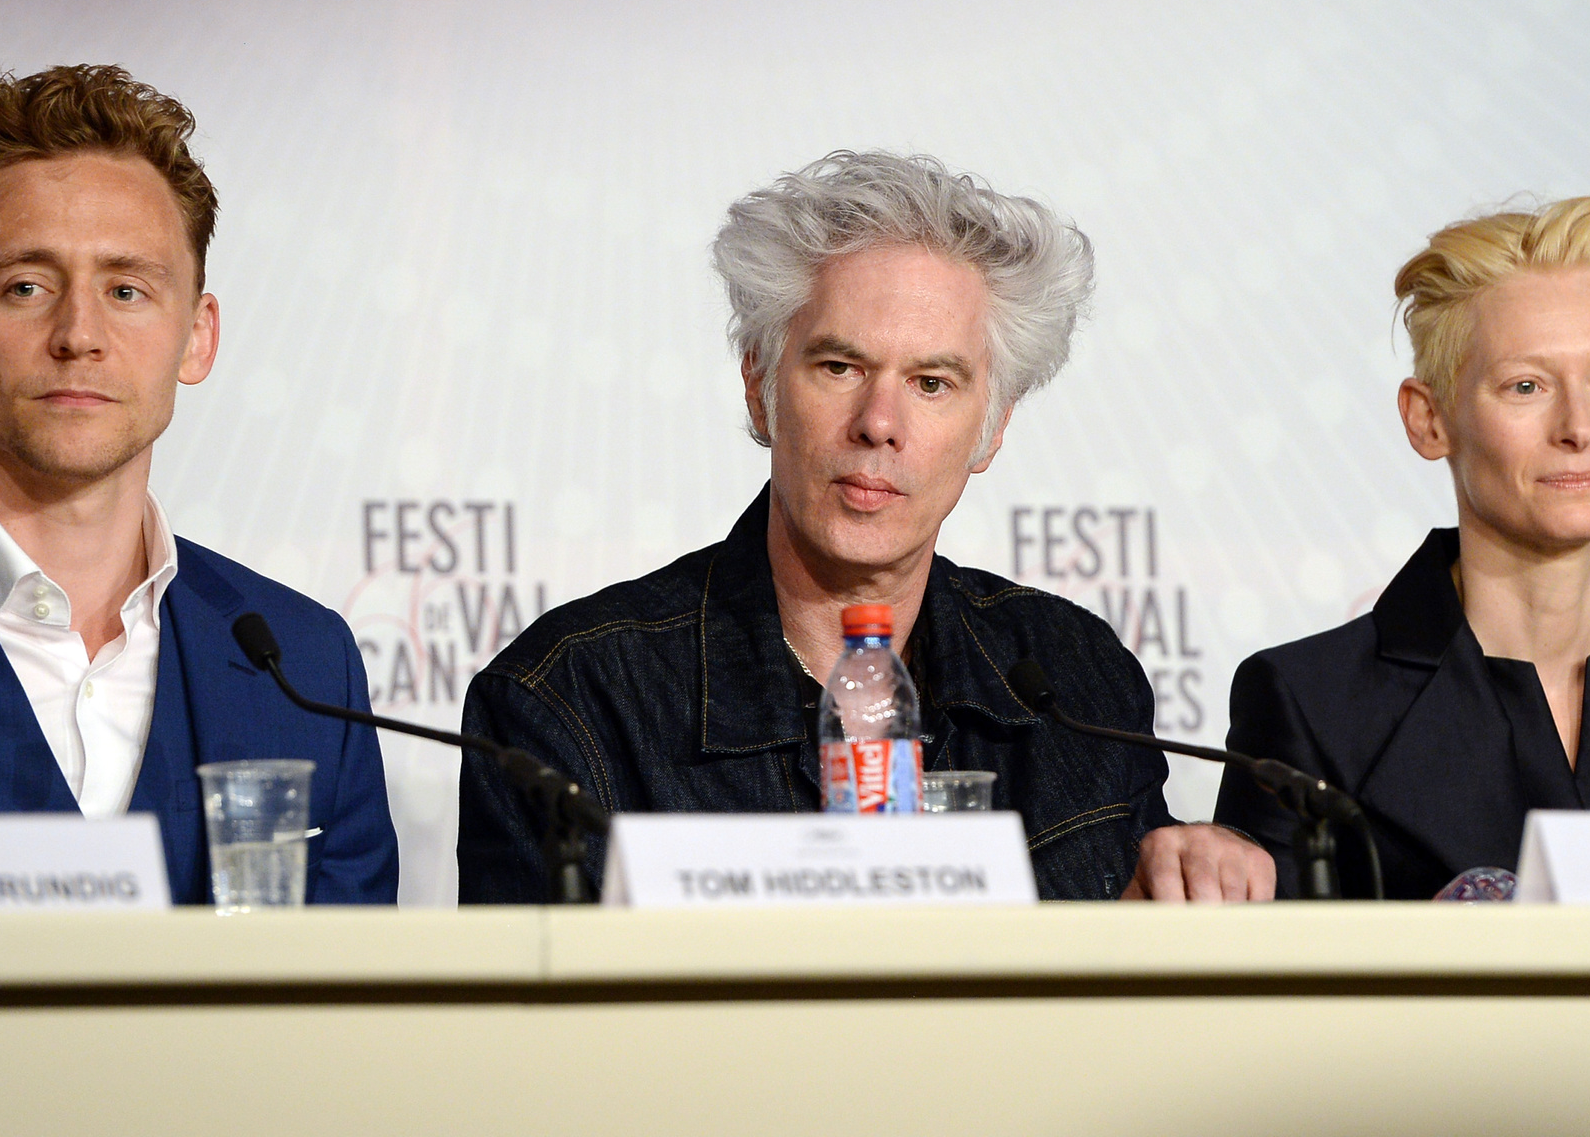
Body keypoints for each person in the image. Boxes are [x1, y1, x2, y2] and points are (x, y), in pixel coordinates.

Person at [458, 150, 1274, 902]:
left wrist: (1174, 895)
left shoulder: (1073, 678)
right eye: (840, 367)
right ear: (760, 386)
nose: (879, 423)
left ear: (992, 427)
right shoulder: (571, 699)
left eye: (932, 382)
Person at [0, 64, 398, 905]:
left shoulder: (302, 666)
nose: (79, 334)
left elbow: (346, 1019)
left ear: (197, 338)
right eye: (26, 287)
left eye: (126, 289)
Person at [1214, 197, 1590, 898]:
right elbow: (1276, 998)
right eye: (1526, 386)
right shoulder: (1309, 703)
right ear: (1429, 420)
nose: (1579, 426)